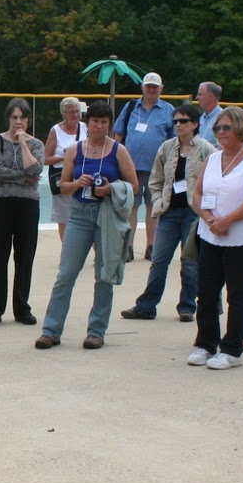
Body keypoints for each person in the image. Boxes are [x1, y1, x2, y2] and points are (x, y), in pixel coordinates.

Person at [36, 100, 138, 350]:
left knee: (104, 275)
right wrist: (77, 183)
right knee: (66, 274)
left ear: (109, 125)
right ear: (87, 122)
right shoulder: (75, 150)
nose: (99, 126)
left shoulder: (118, 151)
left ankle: (96, 331)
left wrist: (111, 189)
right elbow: (62, 186)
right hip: (79, 214)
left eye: (104, 122)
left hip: (107, 216)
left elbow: (134, 186)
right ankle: (51, 330)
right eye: (95, 121)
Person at [187, 106, 243, 369]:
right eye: (217, 128)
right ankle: (205, 344)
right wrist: (210, 219)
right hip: (210, 236)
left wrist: (227, 221)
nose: (221, 132)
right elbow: (197, 193)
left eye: (226, 127)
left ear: (240, 129)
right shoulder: (212, 159)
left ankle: (232, 349)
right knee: (206, 292)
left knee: (237, 293)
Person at [122, 103, 215, 323]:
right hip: (169, 213)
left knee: (189, 262)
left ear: (194, 124)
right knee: (159, 260)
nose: (178, 125)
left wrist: (207, 210)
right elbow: (156, 180)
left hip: (193, 214)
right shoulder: (167, 148)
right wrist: (158, 201)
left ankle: (187, 306)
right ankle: (147, 306)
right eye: (175, 121)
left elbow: (214, 182)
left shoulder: (206, 150)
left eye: (183, 121)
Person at [0, 98, 44, 327]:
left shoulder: (36, 144)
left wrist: (24, 145)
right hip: (1, 203)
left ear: (28, 120)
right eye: (14, 117)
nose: (18, 121)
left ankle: (22, 307)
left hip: (27, 204)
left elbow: (36, 169)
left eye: (22, 117)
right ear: (8, 119)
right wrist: (25, 177)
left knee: (25, 256)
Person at [113, 72, 175, 261]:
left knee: (154, 207)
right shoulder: (131, 107)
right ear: (142, 87)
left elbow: (174, 141)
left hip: (157, 169)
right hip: (130, 167)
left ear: (161, 89)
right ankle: (128, 247)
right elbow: (118, 134)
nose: (151, 90)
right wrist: (114, 158)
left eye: (155, 87)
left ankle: (152, 246)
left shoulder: (169, 110)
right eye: (148, 86)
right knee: (130, 207)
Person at [43, 97, 83, 241]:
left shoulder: (85, 128)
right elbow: (45, 159)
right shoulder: (55, 131)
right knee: (64, 219)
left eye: (77, 111)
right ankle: (67, 249)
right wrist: (64, 158)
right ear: (64, 113)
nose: (75, 115)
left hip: (82, 177)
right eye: (71, 112)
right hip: (62, 177)